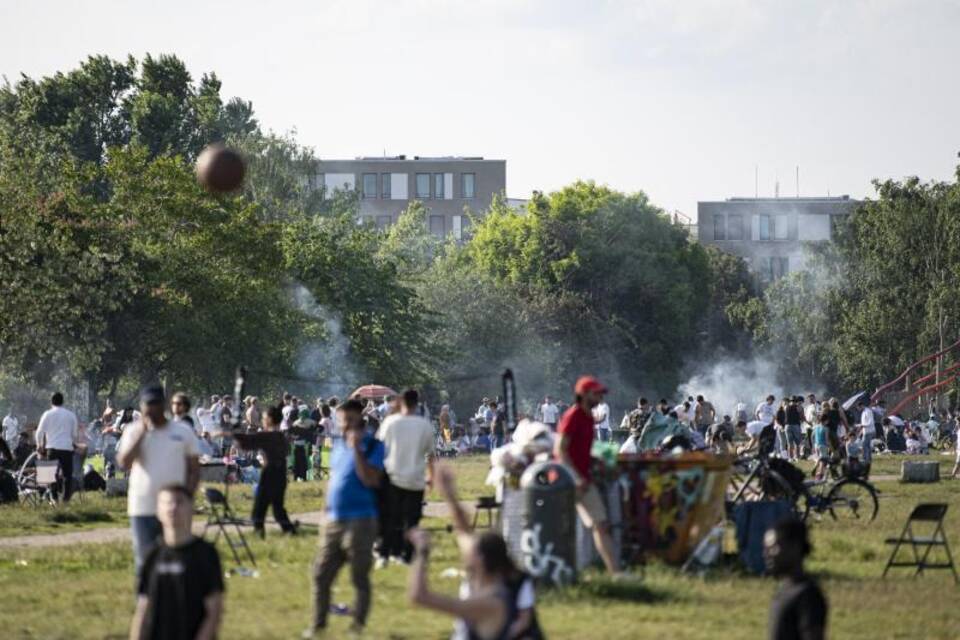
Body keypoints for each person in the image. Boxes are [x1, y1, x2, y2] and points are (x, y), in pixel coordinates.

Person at [408, 465, 541, 640]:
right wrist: (449, 495)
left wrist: (422, 551)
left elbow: (419, 596)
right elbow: (464, 531)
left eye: (474, 550)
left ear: (482, 560)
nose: (467, 550)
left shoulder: (492, 602)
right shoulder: (483, 578)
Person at [306, 399, 384, 637]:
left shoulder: (374, 446)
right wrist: (324, 512)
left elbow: (371, 479)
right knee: (321, 574)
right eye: (341, 421)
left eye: (349, 420)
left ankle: (357, 626)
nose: (345, 425)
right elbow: (334, 481)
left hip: (361, 519)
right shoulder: (338, 446)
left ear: (360, 419)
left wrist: (357, 450)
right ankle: (318, 626)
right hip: (334, 520)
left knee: (358, 575)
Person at [117, 385, 200, 577]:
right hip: (142, 507)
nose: (151, 409)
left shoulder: (182, 431)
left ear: (163, 405)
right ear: (142, 406)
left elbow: (194, 470)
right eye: (148, 405)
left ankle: (176, 602)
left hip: (174, 507)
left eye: (155, 404)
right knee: (145, 561)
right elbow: (124, 463)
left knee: (177, 560)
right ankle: (147, 602)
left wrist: (187, 497)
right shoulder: (132, 430)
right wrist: (142, 433)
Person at [129, 484, 224, 640]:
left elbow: (214, 612)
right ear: (158, 511)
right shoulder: (152, 555)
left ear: (192, 508)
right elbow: (142, 608)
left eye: (179, 502)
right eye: (166, 502)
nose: (172, 508)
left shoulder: (206, 554)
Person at [554, 376, 620, 575]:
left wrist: (599, 463)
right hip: (566, 481)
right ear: (583, 395)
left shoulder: (589, 417)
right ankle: (558, 573)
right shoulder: (572, 416)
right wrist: (575, 478)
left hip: (583, 480)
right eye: (596, 393)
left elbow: (581, 450)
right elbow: (560, 450)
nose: (600, 397)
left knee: (601, 524)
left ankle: (616, 574)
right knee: (560, 530)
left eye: (601, 393)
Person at [377, 388, 436, 566]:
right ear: (417, 403)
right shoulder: (424, 425)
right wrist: (431, 477)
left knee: (390, 518)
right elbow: (431, 455)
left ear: (401, 402)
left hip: (392, 476)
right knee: (412, 520)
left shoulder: (390, 422)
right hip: (416, 479)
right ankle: (407, 555)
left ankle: (385, 554)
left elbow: (379, 448)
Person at [232, 404, 297, 537]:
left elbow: (246, 443)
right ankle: (290, 531)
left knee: (259, 510)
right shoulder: (281, 436)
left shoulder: (268, 436)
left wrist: (235, 431)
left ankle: (259, 535)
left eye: (264, 417)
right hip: (281, 475)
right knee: (278, 510)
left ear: (270, 419)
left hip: (270, 475)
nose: (262, 420)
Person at [764, 518, 828, 640]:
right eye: (766, 549)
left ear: (795, 547)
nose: (767, 555)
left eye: (773, 548)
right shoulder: (784, 590)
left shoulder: (807, 595)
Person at [35, 392, 79, 502]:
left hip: (52, 448)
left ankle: (54, 497)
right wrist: (72, 442)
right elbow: (74, 435)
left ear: (51, 402)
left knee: (51, 474)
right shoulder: (71, 415)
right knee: (67, 475)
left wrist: (39, 445)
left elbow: (39, 432)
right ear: (63, 401)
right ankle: (66, 499)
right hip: (67, 448)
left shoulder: (47, 414)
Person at [858, 400, 876, 469]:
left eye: (859, 408)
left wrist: (862, 425)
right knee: (867, 445)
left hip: (869, 431)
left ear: (861, 406)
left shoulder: (868, 411)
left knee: (864, 445)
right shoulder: (864, 412)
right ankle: (868, 459)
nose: (858, 409)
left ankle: (866, 459)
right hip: (866, 431)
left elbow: (870, 422)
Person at [811, 415, 830, 480]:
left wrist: (813, 444)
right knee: (823, 461)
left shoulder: (816, 427)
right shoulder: (826, 428)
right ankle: (819, 475)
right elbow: (826, 438)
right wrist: (828, 446)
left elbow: (812, 436)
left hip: (817, 445)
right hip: (823, 445)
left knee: (819, 458)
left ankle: (816, 467)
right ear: (825, 421)